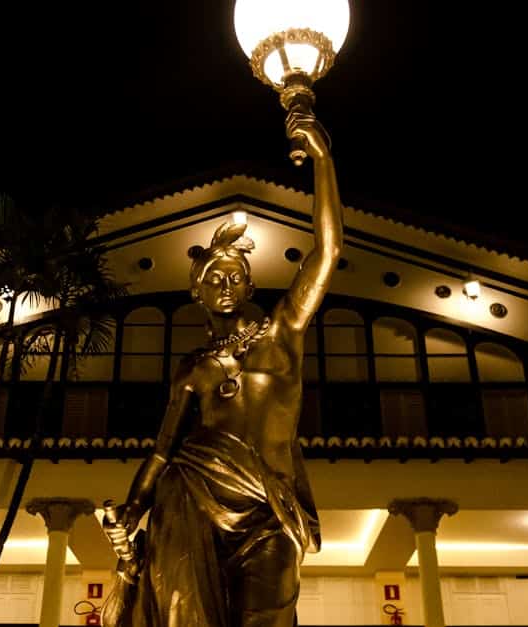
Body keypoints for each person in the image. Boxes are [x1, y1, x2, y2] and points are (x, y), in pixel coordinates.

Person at [102, 108, 343, 627]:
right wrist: (132, 507)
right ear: (197, 291)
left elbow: (327, 253)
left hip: (266, 510)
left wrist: (322, 160)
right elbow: (163, 452)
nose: (226, 284)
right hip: (192, 498)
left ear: (252, 287)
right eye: (215, 278)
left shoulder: (282, 334)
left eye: (236, 276)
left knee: (269, 614)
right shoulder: (192, 367)